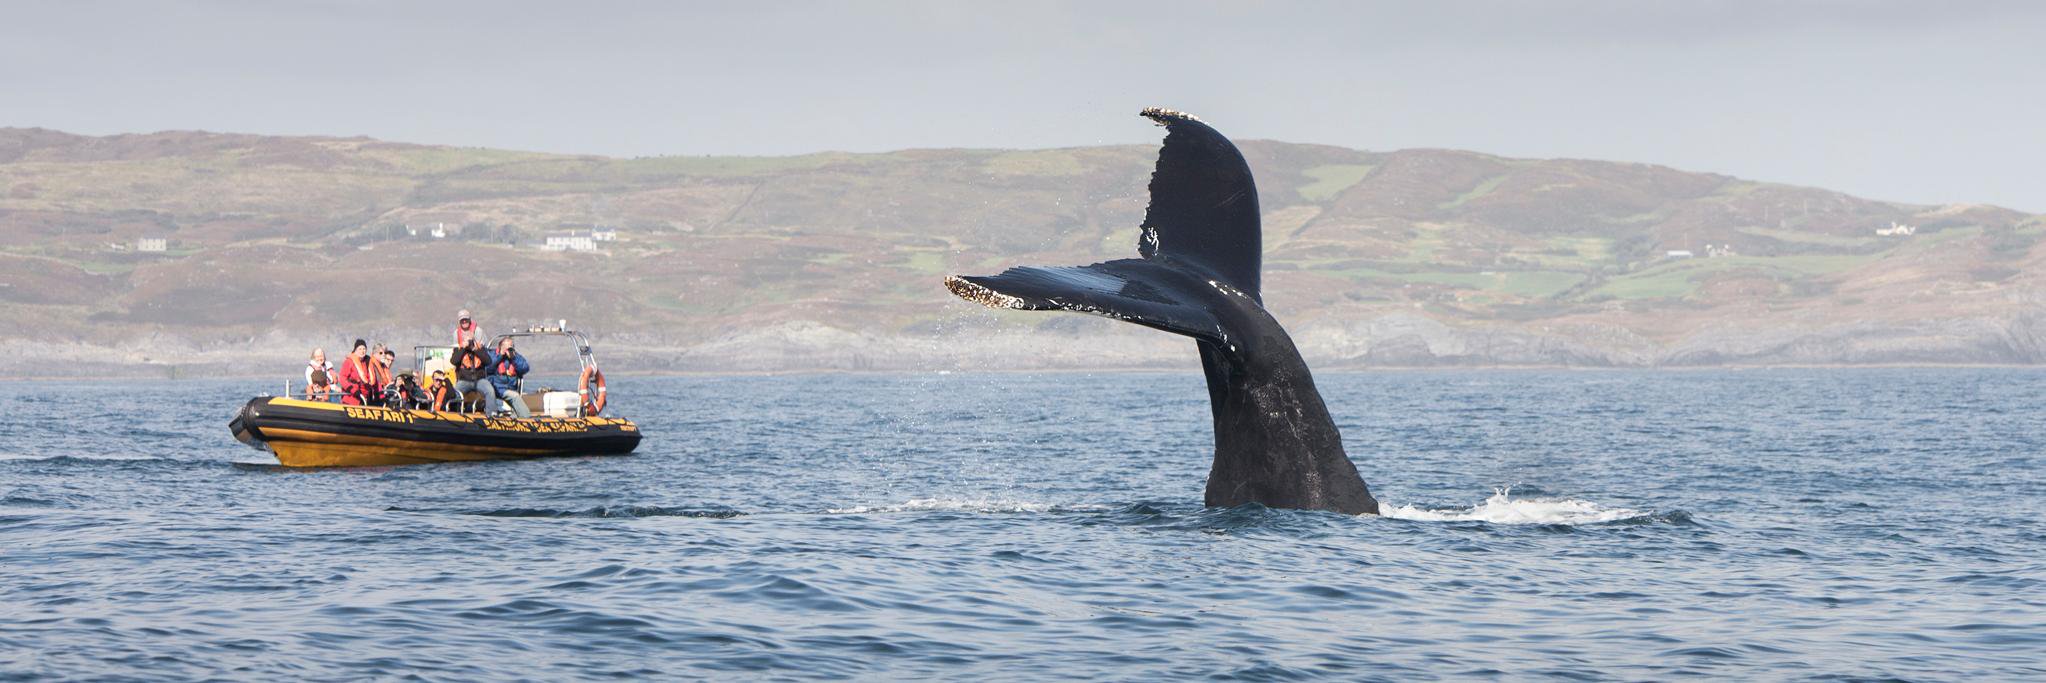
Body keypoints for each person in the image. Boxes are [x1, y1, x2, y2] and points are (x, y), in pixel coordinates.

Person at [487, 336, 532, 418]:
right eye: (506, 347)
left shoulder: (515, 357)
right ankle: (528, 419)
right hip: (497, 388)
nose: (508, 349)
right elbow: (488, 367)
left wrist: (514, 358)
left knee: (516, 410)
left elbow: (525, 368)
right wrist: (500, 355)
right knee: (515, 396)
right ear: (500, 347)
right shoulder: (492, 355)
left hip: (511, 388)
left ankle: (516, 422)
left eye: (510, 347)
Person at [449, 336, 495, 413]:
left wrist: (475, 349)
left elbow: (488, 361)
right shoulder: (458, 349)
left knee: (490, 390)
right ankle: (454, 412)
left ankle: (491, 413)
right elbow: (454, 361)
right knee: (455, 393)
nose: (469, 342)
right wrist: (463, 348)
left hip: (480, 380)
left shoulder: (480, 348)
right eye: (467, 340)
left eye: (470, 340)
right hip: (464, 380)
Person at [335, 339, 376, 406]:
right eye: (360, 349)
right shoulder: (349, 362)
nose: (362, 351)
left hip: (365, 397)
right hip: (352, 397)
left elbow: (373, 381)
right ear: (355, 350)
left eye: (364, 349)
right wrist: (353, 390)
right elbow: (342, 378)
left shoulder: (368, 363)